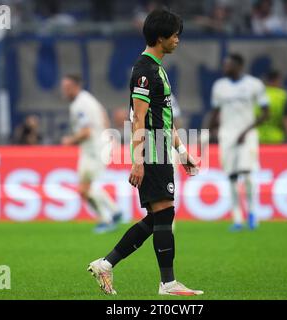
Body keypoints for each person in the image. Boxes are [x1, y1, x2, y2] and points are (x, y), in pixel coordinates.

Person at [87, 9, 203, 296]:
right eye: (175, 34)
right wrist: (138, 161)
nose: (178, 39)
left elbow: (164, 117)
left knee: (160, 217)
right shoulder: (145, 70)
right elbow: (138, 119)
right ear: (161, 37)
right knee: (164, 214)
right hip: (151, 149)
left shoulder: (157, 68)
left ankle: (106, 264)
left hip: (162, 147)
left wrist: (181, 150)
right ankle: (167, 283)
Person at [209, 54, 270, 232]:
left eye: (228, 64)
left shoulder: (254, 84)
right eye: (224, 64)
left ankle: (252, 214)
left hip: (248, 135)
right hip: (226, 136)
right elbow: (215, 112)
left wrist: (247, 130)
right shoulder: (219, 86)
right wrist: (208, 131)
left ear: (239, 65)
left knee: (248, 175)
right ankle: (237, 218)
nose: (225, 67)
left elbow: (266, 112)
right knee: (232, 177)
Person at [60, 74, 122, 234]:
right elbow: (104, 115)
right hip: (95, 148)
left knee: (85, 189)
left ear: (75, 87)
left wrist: (69, 140)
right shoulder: (88, 98)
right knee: (84, 189)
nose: (64, 91)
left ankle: (108, 217)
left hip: (93, 151)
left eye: (66, 88)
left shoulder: (78, 106)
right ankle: (112, 214)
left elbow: (86, 132)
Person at [257, 70, 287, 144]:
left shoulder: (258, 94)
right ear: (276, 80)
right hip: (276, 138)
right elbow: (286, 119)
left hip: (258, 137)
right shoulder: (282, 96)